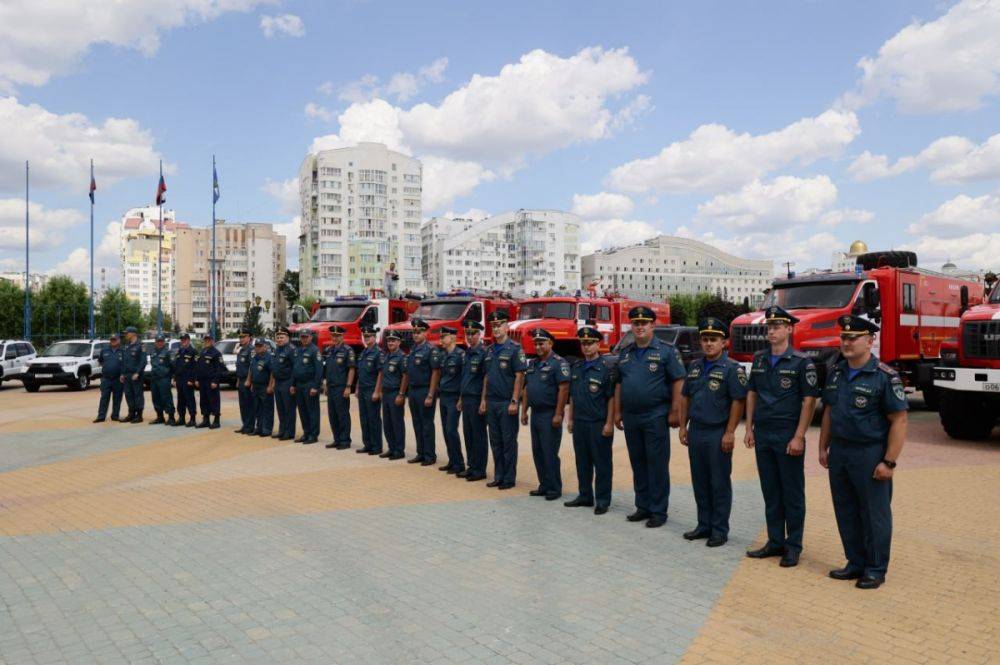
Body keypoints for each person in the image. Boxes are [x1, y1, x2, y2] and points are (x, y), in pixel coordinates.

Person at [819, 315, 908, 589]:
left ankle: (875, 568)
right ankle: (855, 562)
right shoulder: (836, 372)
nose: (846, 342)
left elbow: (899, 420)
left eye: (853, 338)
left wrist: (889, 461)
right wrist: (823, 445)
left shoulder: (884, 377)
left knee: (874, 513)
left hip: (870, 453)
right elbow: (829, 412)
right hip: (841, 451)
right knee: (845, 509)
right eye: (843, 337)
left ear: (870, 341)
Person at [744, 305, 820, 567]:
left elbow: (809, 401)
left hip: (788, 435)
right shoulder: (760, 359)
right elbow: (752, 393)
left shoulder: (802, 362)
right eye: (770, 326)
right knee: (771, 491)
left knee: (792, 492)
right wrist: (748, 427)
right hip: (763, 434)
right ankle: (775, 541)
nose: (772, 330)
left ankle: (793, 545)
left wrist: (799, 436)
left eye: (778, 326)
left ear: (789, 329)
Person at [614, 306, 686, 528]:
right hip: (632, 416)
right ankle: (642, 506)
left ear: (652, 325)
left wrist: (675, 411)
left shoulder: (666, 351)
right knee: (638, 463)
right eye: (636, 323)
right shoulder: (625, 353)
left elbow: (678, 381)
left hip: (656, 415)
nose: (640, 326)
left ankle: (658, 511)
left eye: (644, 323)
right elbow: (619, 384)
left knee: (656, 464)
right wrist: (617, 411)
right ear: (631, 326)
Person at [678, 318, 748, 547]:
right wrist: (682, 426)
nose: (709, 343)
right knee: (700, 481)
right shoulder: (695, 366)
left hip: (718, 432)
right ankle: (703, 524)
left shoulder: (732, 369)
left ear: (724, 342)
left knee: (719, 483)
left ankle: (719, 529)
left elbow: (738, 401)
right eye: (705, 339)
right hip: (696, 431)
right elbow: (685, 396)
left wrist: (730, 432)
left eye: (714, 339)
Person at [565, 325, 616, 514]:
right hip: (580, 422)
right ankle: (585, 495)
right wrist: (570, 419)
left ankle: (602, 499)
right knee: (582, 461)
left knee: (601, 462)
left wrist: (609, 423)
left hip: (598, 423)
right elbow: (573, 396)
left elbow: (611, 398)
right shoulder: (577, 367)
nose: (586, 347)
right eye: (583, 343)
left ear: (598, 344)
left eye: (590, 343)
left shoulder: (605, 368)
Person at [521, 328, 570, 501]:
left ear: (550, 343)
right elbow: (527, 388)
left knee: (549, 452)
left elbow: (563, 389)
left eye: (541, 343)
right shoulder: (533, 363)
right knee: (538, 452)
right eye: (536, 343)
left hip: (549, 414)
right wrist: (524, 410)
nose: (538, 346)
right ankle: (543, 485)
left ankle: (554, 488)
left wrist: (559, 414)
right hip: (536, 413)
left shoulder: (559, 363)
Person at [480, 310, 527, 489]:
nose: (496, 328)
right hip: (492, 402)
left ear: (506, 326)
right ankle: (499, 475)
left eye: (499, 324)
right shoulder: (490, 350)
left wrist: (515, 400)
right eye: (493, 326)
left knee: (508, 442)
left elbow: (519, 376)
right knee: (496, 442)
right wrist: (484, 399)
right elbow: (486, 377)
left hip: (507, 403)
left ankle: (509, 478)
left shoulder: (515, 349)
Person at [401, 318, 442, 465]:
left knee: (426, 424)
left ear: (426, 333)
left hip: (425, 391)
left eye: (419, 332)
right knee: (417, 423)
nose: (416, 334)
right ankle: (421, 453)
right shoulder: (413, 350)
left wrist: (431, 394)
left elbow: (435, 373)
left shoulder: (431, 350)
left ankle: (430, 455)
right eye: (414, 332)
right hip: (413, 391)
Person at [457, 321, 488, 481]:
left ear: (479, 334)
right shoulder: (467, 353)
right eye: (467, 333)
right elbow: (465, 378)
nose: (470, 336)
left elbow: (485, 378)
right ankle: (472, 466)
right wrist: (461, 398)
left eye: (473, 333)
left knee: (478, 435)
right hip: (467, 398)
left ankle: (480, 469)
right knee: (468, 434)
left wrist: (483, 400)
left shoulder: (483, 353)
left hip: (477, 399)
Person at [437, 326, 466, 474]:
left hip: (454, 397)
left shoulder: (461, 355)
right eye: (441, 337)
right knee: (445, 430)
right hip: (444, 396)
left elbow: (463, 379)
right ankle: (452, 460)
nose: (441, 339)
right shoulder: (443, 355)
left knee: (451, 430)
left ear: (453, 338)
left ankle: (459, 463)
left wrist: (461, 398)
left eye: (444, 337)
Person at [323, 325, 355, 449]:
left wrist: (348, 386)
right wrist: (325, 384)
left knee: (342, 414)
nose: (335, 338)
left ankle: (345, 440)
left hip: (341, 387)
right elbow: (327, 369)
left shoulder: (348, 350)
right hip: (331, 387)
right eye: (333, 336)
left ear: (342, 336)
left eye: (337, 336)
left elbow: (351, 369)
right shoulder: (329, 350)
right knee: (333, 415)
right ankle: (337, 438)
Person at [379, 330, 408, 460]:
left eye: (393, 340)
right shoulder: (386, 356)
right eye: (389, 340)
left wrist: (401, 394)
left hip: (395, 392)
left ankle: (399, 450)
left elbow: (405, 376)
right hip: (386, 393)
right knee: (387, 423)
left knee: (397, 422)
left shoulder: (402, 357)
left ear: (399, 342)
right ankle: (391, 448)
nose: (390, 342)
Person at [356, 326, 384, 455]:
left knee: (373, 419)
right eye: (365, 336)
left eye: (369, 336)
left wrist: (377, 391)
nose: (367, 339)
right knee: (364, 418)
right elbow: (360, 372)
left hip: (372, 389)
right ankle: (367, 444)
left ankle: (376, 446)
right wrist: (357, 388)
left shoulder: (378, 352)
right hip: (362, 389)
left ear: (375, 337)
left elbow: (380, 373)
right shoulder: (364, 352)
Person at [292, 330, 323, 444]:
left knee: (312, 410)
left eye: (306, 337)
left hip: (310, 384)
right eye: (302, 337)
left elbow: (319, 371)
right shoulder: (298, 350)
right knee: (302, 410)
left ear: (311, 337)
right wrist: (293, 384)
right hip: (299, 385)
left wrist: (316, 386)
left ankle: (313, 435)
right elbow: (296, 368)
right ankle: (306, 433)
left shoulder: (315, 351)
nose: (304, 339)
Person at [269, 327, 297, 440]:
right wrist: (273, 382)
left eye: (282, 337)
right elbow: (275, 367)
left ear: (288, 338)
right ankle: (282, 430)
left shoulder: (291, 349)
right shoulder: (277, 349)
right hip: (278, 382)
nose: (279, 339)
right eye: (278, 337)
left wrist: (293, 384)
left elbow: (295, 368)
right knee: (280, 408)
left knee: (289, 408)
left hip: (287, 382)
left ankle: (289, 432)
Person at [194, 333, 223, 429]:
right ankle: (206, 420)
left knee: (214, 400)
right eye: (205, 340)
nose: (207, 342)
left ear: (212, 341)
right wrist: (197, 379)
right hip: (202, 382)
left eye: (209, 340)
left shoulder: (216, 353)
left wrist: (215, 381)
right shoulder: (202, 352)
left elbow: (219, 369)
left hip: (211, 382)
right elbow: (199, 367)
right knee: (204, 400)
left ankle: (216, 420)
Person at [93, 333, 124, 423]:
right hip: (106, 379)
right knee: (104, 398)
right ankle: (101, 416)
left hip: (118, 379)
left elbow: (126, 364)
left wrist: (123, 374)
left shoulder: (123, 351)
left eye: (115, 339)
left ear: (119, 340)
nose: (113, 341)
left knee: (117, 398)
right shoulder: (104, 350)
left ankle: (115, 415)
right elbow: (100, 362)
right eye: (111, 340)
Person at [248, 338, 274, 437]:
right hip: (256, 386)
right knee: (257, 408)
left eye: (260, 346)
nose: (258, 348)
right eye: (256, 346)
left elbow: (272, 372)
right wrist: (250, 382)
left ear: (265, 347)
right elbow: (251, 370)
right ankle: (259, 428)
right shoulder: (255, 357)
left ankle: (267, 429)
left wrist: (270, 385)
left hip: (265, 386)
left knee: (267, 408)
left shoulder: (269, 357)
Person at [148, 334, 177, 425]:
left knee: (166, 398)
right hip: (154, 379)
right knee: (155, 398)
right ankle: (160, 417)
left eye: (161, 341)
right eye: (158, 341)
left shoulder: (168, 352)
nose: (160, 343)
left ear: (164, 342)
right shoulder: (153, 352)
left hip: (164, 379)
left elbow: (173, 366)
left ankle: (171, 417)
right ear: (155, 342)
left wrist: (171, 376)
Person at [121, 326, 147, 423]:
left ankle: (139, 415)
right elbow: (124, 361)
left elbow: (143, 361)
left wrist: (137, 372)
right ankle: (131, 413)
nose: (126, 335)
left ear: (133, 333)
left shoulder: (141, 345)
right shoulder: (127, 345)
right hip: (127, 375)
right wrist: (122, 374)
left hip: (136, 375)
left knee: (138, 395)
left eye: (127, 333)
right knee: (128, 395)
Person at [172, 333, 198, 427]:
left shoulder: (193, 351)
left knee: (190, 399)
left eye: (185, 340)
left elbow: (195, 368)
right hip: (180, 380)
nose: (183, 341)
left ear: (188, 340)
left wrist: (192, 380)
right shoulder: (180, 351)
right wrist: (174, 378)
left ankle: (192, 419)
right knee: (180, 400)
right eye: (182, 340)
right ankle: (181, 418)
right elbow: (176, 366)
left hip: (188, 380)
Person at [233, 330, 254, 434]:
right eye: (240, 337)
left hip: (246, 380)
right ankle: (245, 424)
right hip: (241, 379)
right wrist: (238, 380)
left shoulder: (251, 350)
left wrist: (249, 380)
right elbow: (239, 366)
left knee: (248, 404)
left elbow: (251, 367)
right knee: (242, 404)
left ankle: (250, 426)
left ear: (249, 338)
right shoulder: (241, 350)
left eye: (243, 337)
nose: (241, 339)